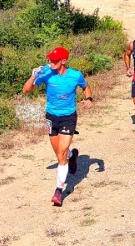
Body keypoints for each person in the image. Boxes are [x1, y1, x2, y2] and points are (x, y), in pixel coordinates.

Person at [23, 46, 93, 206]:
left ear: (64, 61)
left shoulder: (75, 75)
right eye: (50, 59)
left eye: (54, 60)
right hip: (51, 117)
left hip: (68, 117)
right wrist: (33, 75)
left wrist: (89, 99)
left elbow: (86, 87)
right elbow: (26, 90)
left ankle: (58, 191)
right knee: (60, 154)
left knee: (61, 154)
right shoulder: (46, 74)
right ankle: (72, 156)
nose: (51, 62)